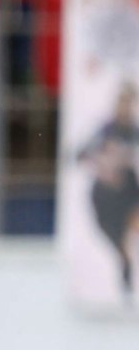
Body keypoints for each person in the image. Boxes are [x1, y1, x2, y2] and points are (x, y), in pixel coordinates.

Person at [77, 83, 139, 301]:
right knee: (120, 244)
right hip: (105, 198)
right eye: (122, 102)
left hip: (129, 193)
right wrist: (103, 165)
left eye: (129, 103)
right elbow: (80, 155)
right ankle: (126, 274)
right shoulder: (105, 131)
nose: (125, 108)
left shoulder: (134, 132)